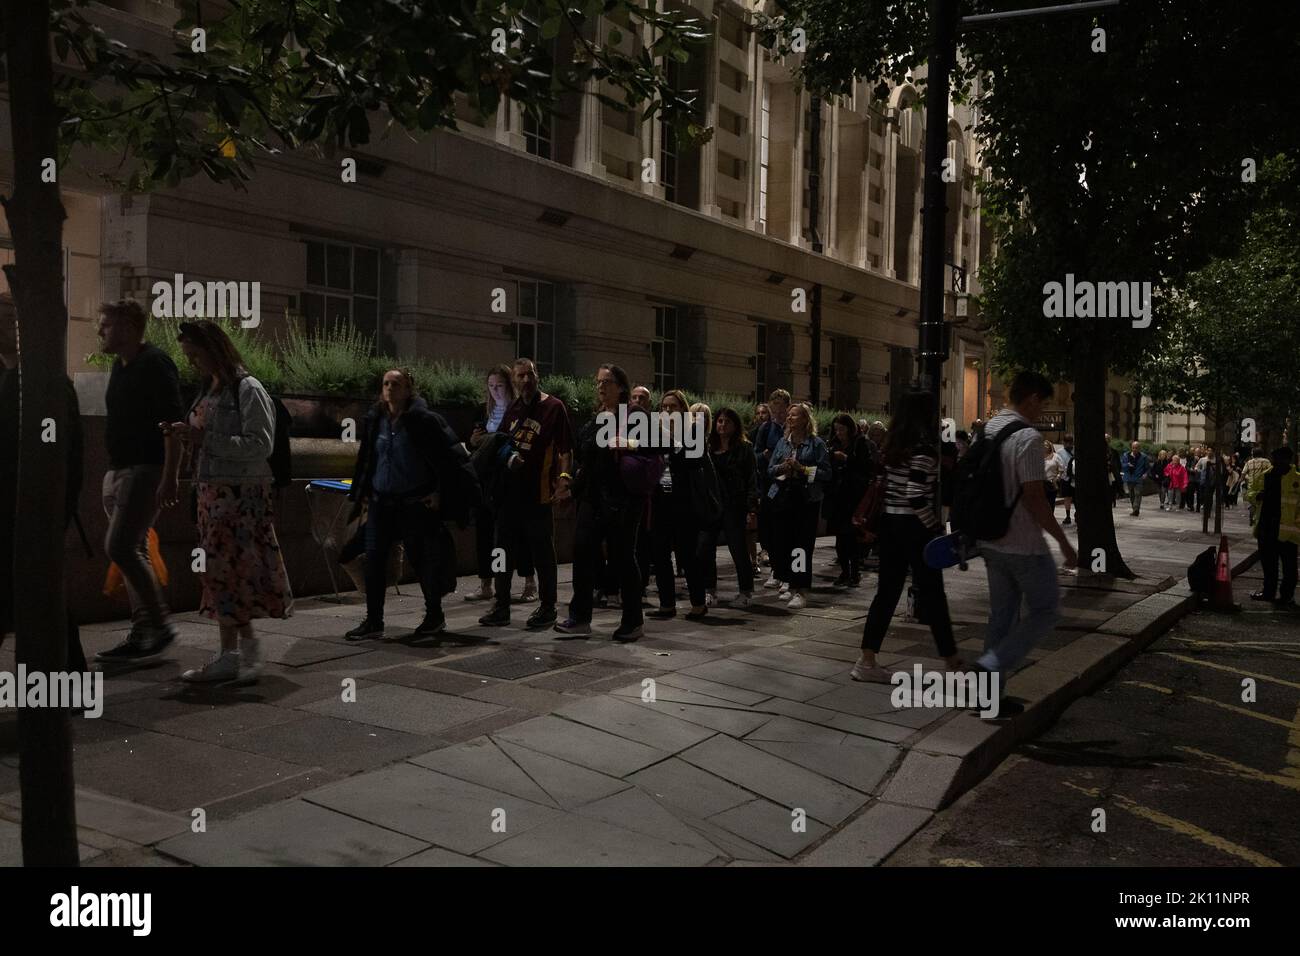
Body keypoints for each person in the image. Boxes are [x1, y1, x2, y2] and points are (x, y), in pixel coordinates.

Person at [165, 321, 292, 684]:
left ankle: (240, 653)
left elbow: (260, 445)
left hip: (240, 495)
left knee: (233, 573)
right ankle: (232, 653)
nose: (192, 364)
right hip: (211, 493)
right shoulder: (210, 389)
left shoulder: (247, 389)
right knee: (221, 574)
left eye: (195, 355)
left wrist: (205, 438)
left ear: (213, 349)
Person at [971, 371, 1078, 716]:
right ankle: (992, 663)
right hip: (1022, 544)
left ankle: (986, 697)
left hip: (989, 539)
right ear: (1031, 398)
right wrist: (1063, 543)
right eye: (1043, 402)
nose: (1043, 410)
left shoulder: (986, 429)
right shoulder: (1028, 438)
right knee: (1046, 610)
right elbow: (1035, 497)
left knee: (1001, 616)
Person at [344, 368, 471, 641]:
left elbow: (448, 460)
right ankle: (374, 620)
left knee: (422, 560)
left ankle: (434, 616)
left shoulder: (423, 421)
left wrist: (439, 493)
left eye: (396, 384)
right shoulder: (376, 419)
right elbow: (367, 459)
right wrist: (364, 491)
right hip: (381, 502)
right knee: (374, 560)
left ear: (408, 389)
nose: (389, 388)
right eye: (386, 383)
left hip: (413, 502)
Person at [92, 300, 185, 662]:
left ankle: (159, 625)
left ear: (129, 327)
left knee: (120, 547)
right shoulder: (120, 365)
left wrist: (170, 475)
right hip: (119, 470)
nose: (100, 331)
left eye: (106, 325)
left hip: (144, 469)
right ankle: (143, 630)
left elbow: (172, 424)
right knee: (134, 550)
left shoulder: (155, 363)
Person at [0, 302, 89, 672]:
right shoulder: (15, 379)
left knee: (42, 598)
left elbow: (63, 454)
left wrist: (56, 513)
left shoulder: (45, 383)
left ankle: (67, 685)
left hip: (27, 512)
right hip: (14, 510)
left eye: (9, 320)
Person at [852, 391, 958, 682]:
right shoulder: (923, 449)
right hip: (914, 528)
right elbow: (915, 495)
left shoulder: (893, 445)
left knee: (886, 592)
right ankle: (952, 659)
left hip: (889, 524)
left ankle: (867, 659)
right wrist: (934, 526)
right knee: (933, 593)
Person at [555, 365, 651, 642]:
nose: (600, 387)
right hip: (593, 499)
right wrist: (571, 488)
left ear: (621, 387)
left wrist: (627, 444)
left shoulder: (635, 416)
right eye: (598, 382)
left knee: (622, 557)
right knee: (583, 554)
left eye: (607, 382)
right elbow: (586, 461)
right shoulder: (595, 418)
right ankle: (580, 617)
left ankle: (633, 620)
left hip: (623, 499)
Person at [478, 358, 574, 630]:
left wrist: (564, 479)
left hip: (538, 494)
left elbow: (566, 449)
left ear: (536, 376)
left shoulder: (554, 408)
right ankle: (501, 604)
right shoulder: (514, 409)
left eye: (529, 375)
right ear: (515, 381)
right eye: (520, 376)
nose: (525, 381)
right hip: (509, 495)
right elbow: (501, 445)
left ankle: (547, 606)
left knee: (542, 552)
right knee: (501, 550)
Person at [465, 365, 537, 604]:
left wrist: (487, 440)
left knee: (517, 534)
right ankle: (487, 582)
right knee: (484, 532)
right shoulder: (484, 410)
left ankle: (528, 580)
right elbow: (477, 441)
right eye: (491, 386)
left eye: (500, 386)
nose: (495, 391)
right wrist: (477, 440)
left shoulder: (518, 410)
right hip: (487, 479)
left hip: (511, 479)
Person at [648, 390, 713, 620]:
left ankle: (698, 602)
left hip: (684, 501)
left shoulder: (692, 432)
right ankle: (667, 604)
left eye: (672, 406)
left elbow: (692, 461)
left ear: (683, 410)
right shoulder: (655, 433)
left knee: (687, 555)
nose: (667, 411)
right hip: (661, 499)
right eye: (664, 407)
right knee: (660, 553)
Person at [764, 402, 830, 610]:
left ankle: (800, 588)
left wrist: (803, 469)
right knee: (783, 542)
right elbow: (770, 470)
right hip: (783, 497)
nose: (789, 419)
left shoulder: (816, 444)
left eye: (794, 415)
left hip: (805, 499)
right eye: (789, 416)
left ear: (804, 420)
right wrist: (782, 467)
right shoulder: (783, 443)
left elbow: (826, 473)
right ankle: (788, 581)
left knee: (801, 547)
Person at [702, 406, 758, 606]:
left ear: (735, 425)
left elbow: (752, 478)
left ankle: (745, 592)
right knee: (707, 547)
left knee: (738, 549)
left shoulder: (744, 448)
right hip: (712, 505)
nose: (722, 425)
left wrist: (751, 509)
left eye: (727, 421)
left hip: (734, 505)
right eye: (719, 421)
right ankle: (709, 589)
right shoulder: (708, 447)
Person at [825, 413, 872, 588]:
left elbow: (866, 467)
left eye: (842, 429)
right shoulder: (832, 445)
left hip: (853, 497)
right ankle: (845, 571)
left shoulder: (859, 444)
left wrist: (847, 459)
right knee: (840, 537)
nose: (839, 433)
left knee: (851, 536)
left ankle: (854, 572)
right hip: (838, 497)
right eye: (836, 429)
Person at [1248, 446, 1298, 609]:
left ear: (1289, 461)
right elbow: (1250, 493)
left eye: (1282, 460)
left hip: (1287, 531)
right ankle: (1269, 592)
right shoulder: (1265, 476)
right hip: (1266, 527)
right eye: (1277, 460)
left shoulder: (1296, 479)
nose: (1278, 463)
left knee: (1289, 567)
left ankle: (1286, 595)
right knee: (1269, 564)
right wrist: (1257, 496)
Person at [754, 389, 791, 583]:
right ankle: (777, 570)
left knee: (786, 531)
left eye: (780, 405)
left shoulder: (792, 428)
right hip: (770, 485)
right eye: (773, 405)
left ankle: (788, 574)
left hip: (789, 486)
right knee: (768, 531)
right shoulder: (766, 428)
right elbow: (756, 455)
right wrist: (765, 457)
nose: (776, 410)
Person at [1121, 440, 1149, 516]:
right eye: (1133, 448)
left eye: (1136, 448)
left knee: (1138, 494)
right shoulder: (1126, 455)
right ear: (1131, 448)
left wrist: (1145, 474)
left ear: (1139, 448)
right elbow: (1122, 466)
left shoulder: (1144, 457)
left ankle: (1136, 509)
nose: (1134, 449)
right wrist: (1127, 465)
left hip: (1138, 478)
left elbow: (1147, 468)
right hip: (1129, 478)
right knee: (1131, 495)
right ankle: (1134, 508)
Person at [1242, 447, 1270, 523]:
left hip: (1252, 486)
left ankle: (1252, 509)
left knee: (1253, 501)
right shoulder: (1266, 461)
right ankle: (1259, 517)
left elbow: (1243, 473)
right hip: (1263, 486)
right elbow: (1270, 471)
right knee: (1262, 503)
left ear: (1253, 454)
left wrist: (1241, 481)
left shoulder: (1249, 462)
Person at [1057, 434, 1076, 525]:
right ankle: (1068, 516)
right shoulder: (1059, 452)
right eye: (1067, 443)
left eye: (1071, 443)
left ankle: (1077, 514)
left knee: (1077, 497)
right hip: (1066, 478)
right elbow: (1059, 465)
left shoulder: (1075, 450)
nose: (1069, 445)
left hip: (1075, 477)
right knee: (1067, 497)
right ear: (1063, 443)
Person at [1043, 439, 1061, 511]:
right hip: (1041, 482)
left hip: (1051, 483)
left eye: (1046, 445)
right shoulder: (1038, 456)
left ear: (1050, 446)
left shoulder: (1055, 456)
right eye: (1043, 445)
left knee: (1050, 503)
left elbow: (1062, 469)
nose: (1044, 446)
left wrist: (1057, 478)